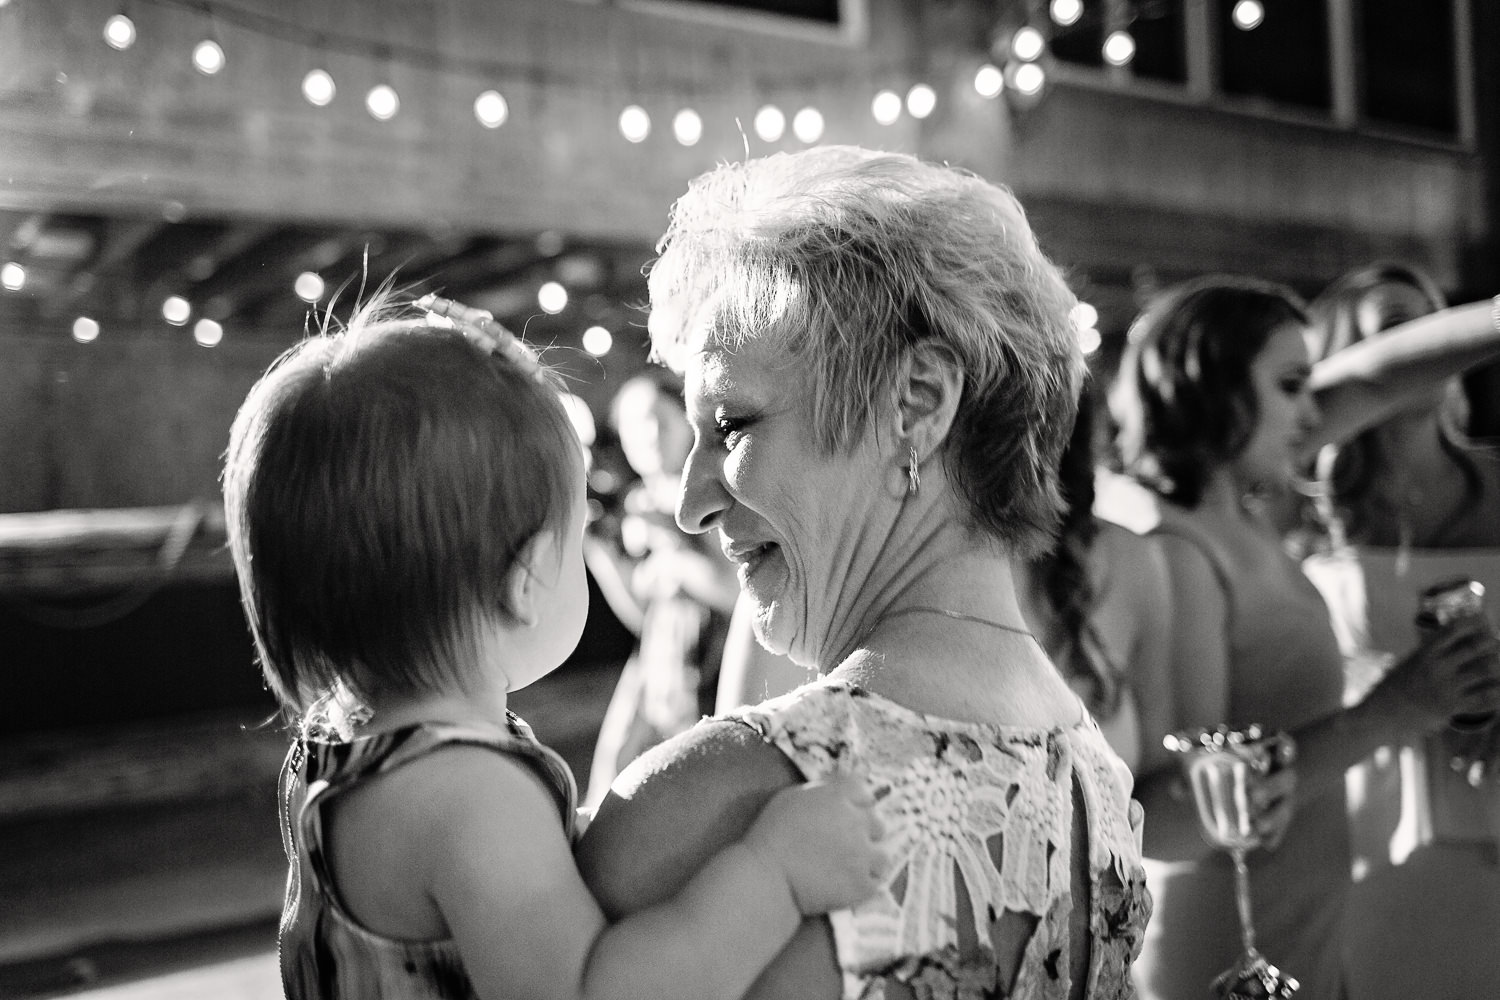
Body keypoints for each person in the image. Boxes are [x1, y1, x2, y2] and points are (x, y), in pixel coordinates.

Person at [576, 145, 1152, 1000]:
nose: (691, 503)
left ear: (917, 402)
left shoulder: (718, 807)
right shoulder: (1101, 789)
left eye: (732, 425)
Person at [220, 291, 885, 1000]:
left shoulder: (334, 752)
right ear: (529, 578)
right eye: (572, 544)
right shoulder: (471, 800)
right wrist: (772, 873)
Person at [1104, 275, 1500, 1000]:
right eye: (1292, 384)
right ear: (1219, 391)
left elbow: (1377, 379)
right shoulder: (1179, 548)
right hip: (1229, 950)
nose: (1317, 410)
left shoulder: (1243, 514)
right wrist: (1396, 710)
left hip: (1305, 920)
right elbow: (1167, 818)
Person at [1300, 263, 1500, 999]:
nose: (1432, 348)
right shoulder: (1297, 507)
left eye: (1438, 327)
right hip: (1365, 825)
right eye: (1400, 331)